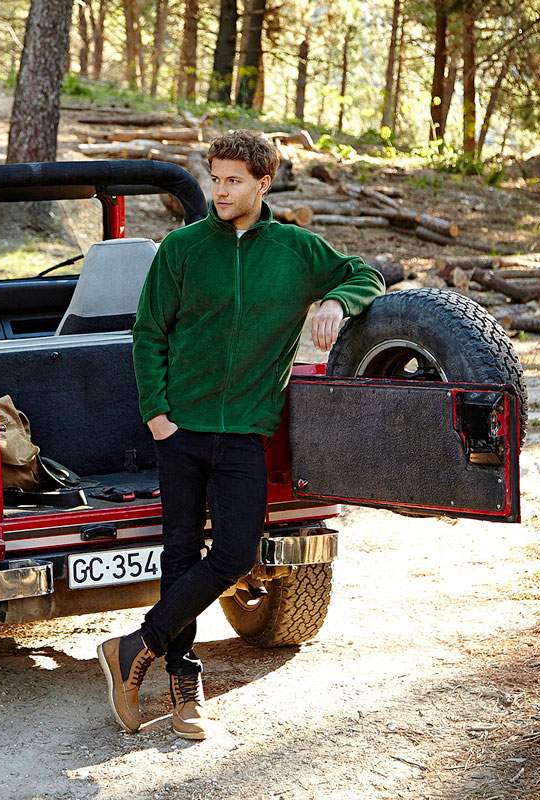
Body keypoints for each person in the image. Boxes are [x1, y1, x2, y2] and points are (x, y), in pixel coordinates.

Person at [97, 130, 385, 740]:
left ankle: (133, 648)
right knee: (180, 555)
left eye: (234, 180)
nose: (221, 191)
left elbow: (365, 274)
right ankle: (184, 688)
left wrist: (336, 301)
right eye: (216, 178)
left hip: (245, 434)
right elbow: (149, 332)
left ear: (263, 183)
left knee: (232, 554)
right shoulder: (182, 248)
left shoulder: (296, 250)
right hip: (179, 430)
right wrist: (158, 416)